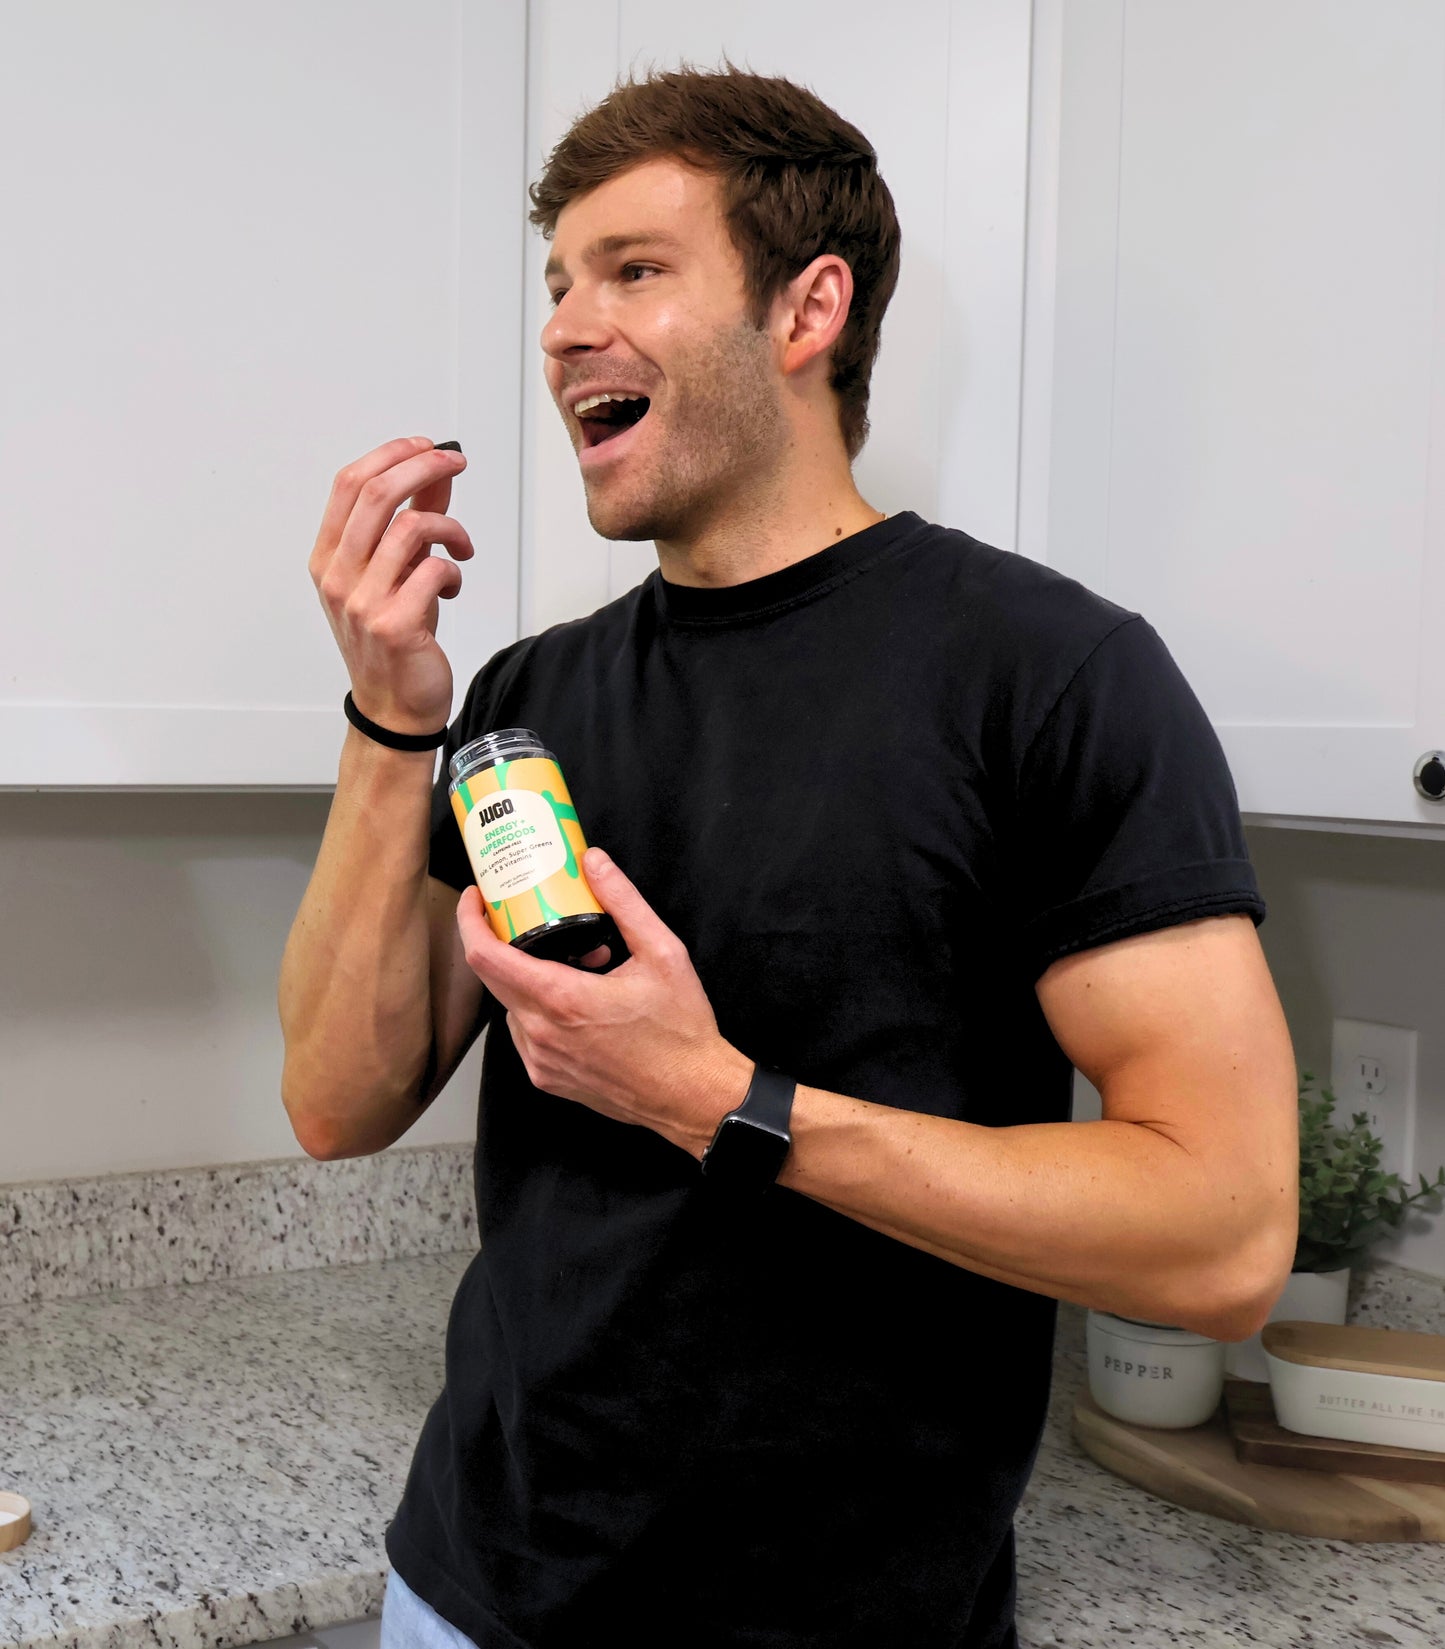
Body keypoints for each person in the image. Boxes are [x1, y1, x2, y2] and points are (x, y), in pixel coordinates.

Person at [279, 65, 1299, 1649]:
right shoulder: (525, 699)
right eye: (558, 282)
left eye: (632, 269)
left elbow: (1223, 1231)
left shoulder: (1048, 675)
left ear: (806, 307)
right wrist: (390, 709)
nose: (560, 327)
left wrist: (720, 1098)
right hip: (475, 1588)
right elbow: (337, 1100)